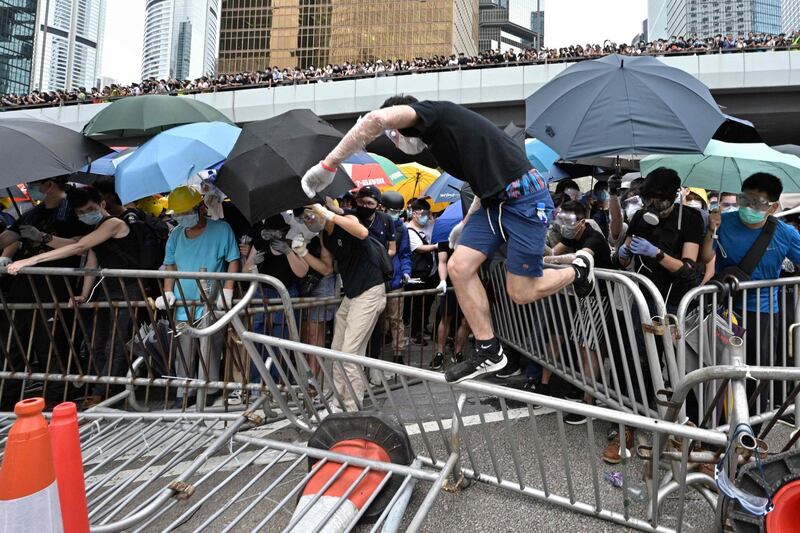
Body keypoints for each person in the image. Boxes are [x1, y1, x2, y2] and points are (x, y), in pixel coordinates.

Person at [300, 96, 594, 384]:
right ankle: (489, 349)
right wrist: (465, 225)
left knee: (520, 291)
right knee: (458, 267)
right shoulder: (442, 145)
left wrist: (328, 166)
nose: (394, 141)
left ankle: (578, 270)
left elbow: (375, 120)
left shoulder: (434, 113)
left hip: (525, 198)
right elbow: (482, 184)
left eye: (393, 135)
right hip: (493, 203)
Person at [6, 187, 148, 407]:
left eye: (90, 209)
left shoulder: (114, 223)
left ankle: (105, 392)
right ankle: (103, 390)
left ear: (102, 205)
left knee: (115, 342)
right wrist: (84, 294)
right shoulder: (98, 229)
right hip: (106, 289)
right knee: (97, 342)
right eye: (81, 212)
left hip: (128, 288)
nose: (85, 215)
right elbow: (92, 263)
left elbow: (79, 246)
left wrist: (29, 261)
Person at [702, 173, 800, 418]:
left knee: (755, 373)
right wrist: (710, 231)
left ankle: (751, 433)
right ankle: (717, 427)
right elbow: (704, 258)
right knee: (719, 370)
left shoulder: (785, 233)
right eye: (744, 199)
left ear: (774, 206)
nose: (748, 207)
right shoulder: (722, 221)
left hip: (763, 315)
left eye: (758, 203)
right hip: (725, 311)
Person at [0, 176, 90, 408]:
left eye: (33, 184)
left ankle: (55, 398)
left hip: (55, 287)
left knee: (50, 344)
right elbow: (8, 237)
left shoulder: (71, 210)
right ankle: (6, 397)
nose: (31, 189)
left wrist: (43, 237)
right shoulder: (32, 214)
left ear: (49, 185)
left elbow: (79, 245)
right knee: (13, 344)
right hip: (21, 287)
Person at [154, 186, 240, 407]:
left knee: (210, 346)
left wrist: (228, 290)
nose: (183, 218)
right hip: (184, 301)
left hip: (212, 301)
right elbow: (170, 264)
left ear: (200, 207)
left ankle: (209, 390)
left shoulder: (222, 229)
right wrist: (168, 291)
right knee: (183, 349)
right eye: (178, 214)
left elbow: (233, 260)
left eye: (186, 212)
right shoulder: (174, 235)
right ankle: (183, 392)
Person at [306, 202, 386, 412]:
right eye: (304, 216)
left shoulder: (348, 218)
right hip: (351, 295)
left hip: (369, 292)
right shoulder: (324, 235)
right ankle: (338, 402)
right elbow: (325, 268)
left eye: (310, 214)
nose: (308, 219)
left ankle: (352, 408)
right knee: (337, 351)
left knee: (350, 354)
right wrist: (299, 252)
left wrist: (329, 214)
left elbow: (361, 232)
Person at [542, 201, 613, 424]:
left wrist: (549, 259)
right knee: (585, 348)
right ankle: (586, 396)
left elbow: (577, 258)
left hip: (600, 300)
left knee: (589, 350)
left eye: (569, 221)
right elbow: (554, 251)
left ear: (582, 222)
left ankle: (588, 405)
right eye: (561, 219)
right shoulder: (573, 235)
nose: (565, 225)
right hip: (585, 298)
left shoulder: (593, 237)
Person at [380, 191, 413, 364]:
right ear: (382, 208)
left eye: (398, 211)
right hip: (375, 281)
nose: (395, 214)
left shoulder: (402, 229)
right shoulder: (373, 226)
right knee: (377, 319)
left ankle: (398, 353)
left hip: (395, 280)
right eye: (391, 210)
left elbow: (405, 253)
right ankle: (374, 351)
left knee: (396, 318)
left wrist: (406, 272)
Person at [406, 198, 439, 346]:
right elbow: (420, 248)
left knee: (428, 302)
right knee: (417, 304)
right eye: (423, 213)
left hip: (432, 272)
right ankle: (414, 333)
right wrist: (438, 246)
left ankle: (424, 326)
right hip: (417, 274)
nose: (426, 216)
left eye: (428, 213)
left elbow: (438, 226)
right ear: (414, 214)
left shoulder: (430, 224)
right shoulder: (408, 230)